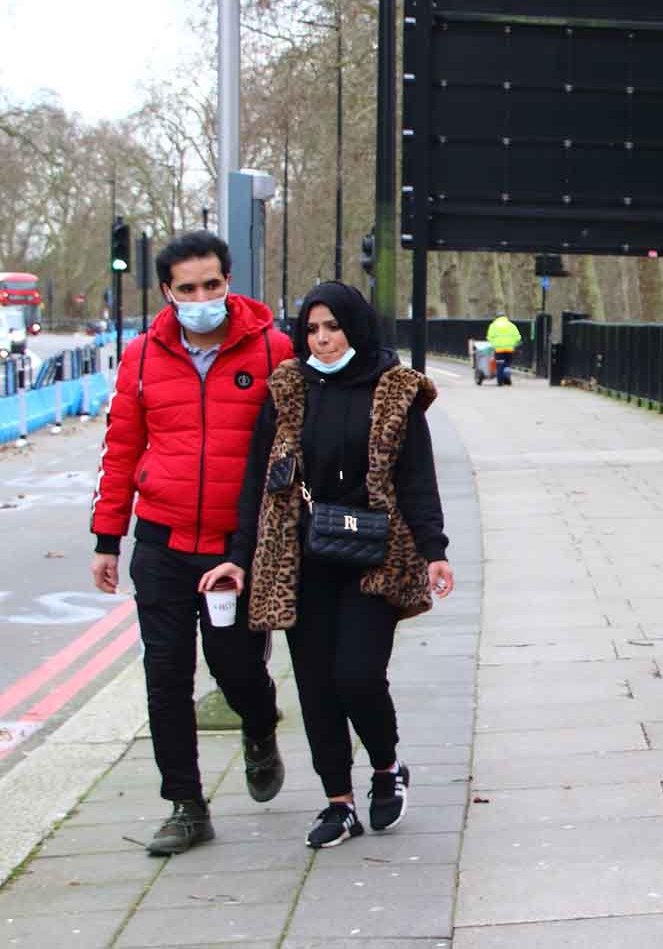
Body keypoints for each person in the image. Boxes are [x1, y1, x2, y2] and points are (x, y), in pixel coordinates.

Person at [201, 282, 454, 849]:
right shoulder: (289, 389)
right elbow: (256, 488)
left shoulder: (396, 392)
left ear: (355, 328)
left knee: (358, 677)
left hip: (375, 557)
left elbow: (417, 479)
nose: (323, 338)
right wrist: (239, 559)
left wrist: (435, 551)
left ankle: (387, 768)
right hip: (305, 559)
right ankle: (338, 801)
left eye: (333, 327)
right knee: (316, 686)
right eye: (312, 329)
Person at [88, 230, 291, 856]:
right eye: (188, 288)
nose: (202, 297)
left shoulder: (272, 350)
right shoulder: (143, 357)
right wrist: (107, 536)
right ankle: (185, 804)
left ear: (228, 282)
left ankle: (259, 726)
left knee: (236, 671)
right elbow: (122, 450)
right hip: (162, 543)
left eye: (213, 285)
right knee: (165, 675)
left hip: (237, 546)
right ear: (167, 292)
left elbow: (291, 449)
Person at [484, 313, 521, 386]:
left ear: (496, 318)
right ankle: (507, 375)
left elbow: (489, 337)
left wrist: (493, 343)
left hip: (499, 349)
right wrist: (513, 343)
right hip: (509, 348)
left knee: (499, 363)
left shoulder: (493, 325)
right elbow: (518, 337)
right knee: (507, 363)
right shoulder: (511, 325)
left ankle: (500, 381)